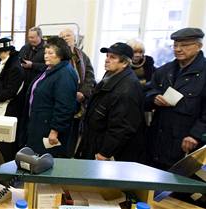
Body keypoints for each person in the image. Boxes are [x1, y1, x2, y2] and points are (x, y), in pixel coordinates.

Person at [145, 28, 206, 170]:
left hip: (186, 144)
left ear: (198, 46)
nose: (178, 49)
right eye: (175, 45)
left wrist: (195, 135)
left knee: (179, 187)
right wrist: (153, 97)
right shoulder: (165, 70)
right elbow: (147, 92)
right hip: (157, 142)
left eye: (184, 45)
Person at [76, 42, 146, 162]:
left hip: (109, 151)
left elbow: (122, 127)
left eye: (112, 57)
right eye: (107, 56)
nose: (107, 60)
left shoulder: (127, 88)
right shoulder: (109, 76)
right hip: (95, 141)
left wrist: (105, 153)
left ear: (124, 63)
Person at [24, 36, 78, 157]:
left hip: (50, 130)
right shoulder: (50, 69)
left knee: (45, 162)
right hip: (40, 124)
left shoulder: (65, 74)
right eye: (45, 52)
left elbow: (65, 106)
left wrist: (55, 131)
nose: (46, 56)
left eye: (50, 53)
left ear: (60, 55)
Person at [59, 28, 96, 157]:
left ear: (75, 38)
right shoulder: (58, 57)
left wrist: (83, 93)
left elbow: (90, 77)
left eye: (68, 35)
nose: (65, 37)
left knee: (73, 136)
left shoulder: (82, 56)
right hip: (62, 101)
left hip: (79, 104)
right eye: (62, 36)